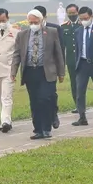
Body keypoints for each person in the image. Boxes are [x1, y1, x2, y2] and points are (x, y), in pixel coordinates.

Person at [10, 9, 64, 139]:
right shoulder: (22, 35)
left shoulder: (51, 33)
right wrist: (13, 72)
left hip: (46, 72)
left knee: (44, 99)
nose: (33, 24)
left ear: (41, 21)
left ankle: (46, 128)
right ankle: (38, 129)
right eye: (31, 22)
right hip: (30, 72)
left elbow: (58, 53)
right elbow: (17, 54)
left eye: (36, 22)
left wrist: (61, 72)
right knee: (34, 102)